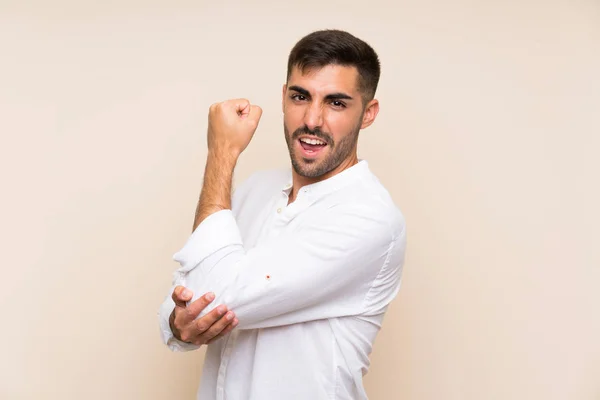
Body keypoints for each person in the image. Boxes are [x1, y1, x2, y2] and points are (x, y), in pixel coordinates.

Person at [158, 29, 406, 399]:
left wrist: (222, 152)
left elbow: (219, 290)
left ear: (367, 113)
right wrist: (179, 325)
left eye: (336, 103)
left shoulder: (369, 218)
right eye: (300, 96)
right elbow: (185, 296)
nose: (312, 120)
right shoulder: (255, 189)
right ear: (284, 97)